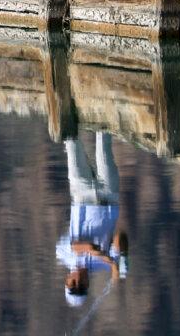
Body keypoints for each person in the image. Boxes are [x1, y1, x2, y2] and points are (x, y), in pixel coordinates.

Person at [55, 130, 128, 307]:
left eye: (73, 285)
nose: (78, 282)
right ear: (88, 285)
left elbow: (83, 246)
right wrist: (122, 260)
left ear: (67, 281)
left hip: (82, 196)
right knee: (104, 137)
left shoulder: (62, 255)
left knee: (71, 141)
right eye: (82, 287)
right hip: (108, 198)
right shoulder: (103, 266)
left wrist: (107, 259)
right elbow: (121, 236)